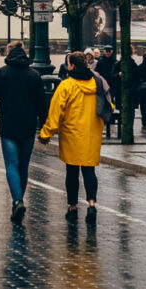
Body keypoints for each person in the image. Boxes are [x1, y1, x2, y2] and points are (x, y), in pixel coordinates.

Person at [40, 50, 105, 222]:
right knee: (89, 170)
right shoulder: (97, 83)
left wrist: (46, 133)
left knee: (72, 172)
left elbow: (56, 112)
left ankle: (72, 206)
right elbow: (108, 104)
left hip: (72, 133)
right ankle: (91, 204)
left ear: (72, 66)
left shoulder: (66, 86)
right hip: (92, 132)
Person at [0, 42, 45, 222]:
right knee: (23, 166)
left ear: (8, 53)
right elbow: (42, 105)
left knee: (11, 164)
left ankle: (17, 201)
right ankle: (18, 201)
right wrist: (44, 128)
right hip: (28, 126)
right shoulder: (34, 75)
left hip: (8, 126)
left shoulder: (1, 73)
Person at [95, 47, 119, 138]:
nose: (108, 53)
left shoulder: (110, 61)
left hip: (110, 85)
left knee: (110, 101)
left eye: (109, 51)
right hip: (105, 85)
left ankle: (109, 117)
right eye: (107, 51)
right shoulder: (103, 62)